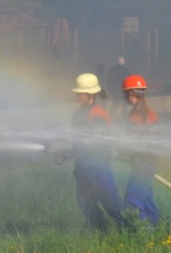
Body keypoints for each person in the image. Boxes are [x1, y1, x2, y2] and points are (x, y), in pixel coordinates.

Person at [68, 72, 122, 230]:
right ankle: (101, 232)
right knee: (85, 204)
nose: (77, 96)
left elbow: (98, 143)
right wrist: (66, 154)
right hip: (83, 168)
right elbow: (78, 142)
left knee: (112, 206)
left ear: (90, 95)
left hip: (98, 168)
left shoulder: (98, 115)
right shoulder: (78, 114)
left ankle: (129, 231)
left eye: (80, 93)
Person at [119, 74, 161, 224]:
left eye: (125, 93)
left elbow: (142, 142)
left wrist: (127, 151)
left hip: (143, 166)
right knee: (147, 200)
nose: (124, 97)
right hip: (146, 163)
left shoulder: (139, 115)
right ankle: (156, 228)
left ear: (131, 93)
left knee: (132, 203)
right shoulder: (144, 113)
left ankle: (143, 232)